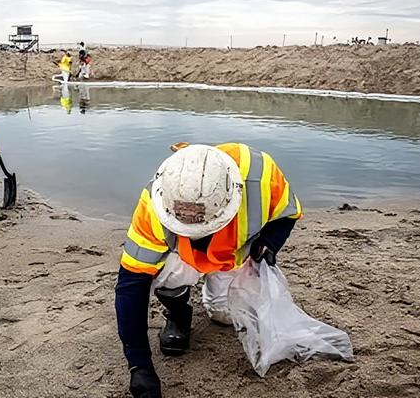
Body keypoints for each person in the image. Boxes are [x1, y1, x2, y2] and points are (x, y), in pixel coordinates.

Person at [115, 142, 302, 397]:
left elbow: (287, 213)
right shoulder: (154, 204)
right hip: (183, 259)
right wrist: (139, 366)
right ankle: (179, 314)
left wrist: (269, 243)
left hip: (233, 255)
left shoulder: (260, 176)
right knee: (160, 274)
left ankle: (217, 297)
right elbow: (131, 284)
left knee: (222, 316)